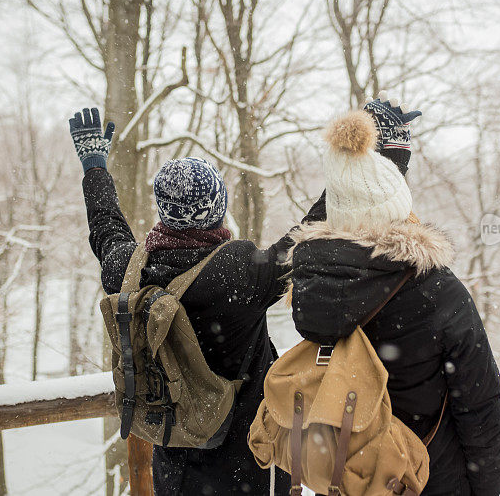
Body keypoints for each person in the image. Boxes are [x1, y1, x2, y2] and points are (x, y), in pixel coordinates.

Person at [68, 107, 327, 495]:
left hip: (175, 464)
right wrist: (370, 161)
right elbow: (309, 235)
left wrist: (94, 166)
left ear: (164, 211)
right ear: (217, 209)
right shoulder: (238, 272)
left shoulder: (129, 269)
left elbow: (106, 228)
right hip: (249, 465)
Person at [287, 97, 500, 495]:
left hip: (354, 474)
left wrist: (354, 178)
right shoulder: (437, 290)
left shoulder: (313, 285)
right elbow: (479, 405)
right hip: (423, 477)